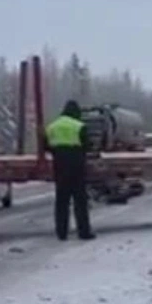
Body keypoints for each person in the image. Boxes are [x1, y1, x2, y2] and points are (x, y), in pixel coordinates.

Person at [44, 100, 95, 241]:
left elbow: (45, 146)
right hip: (77, 168)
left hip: (59, 167)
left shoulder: (51, 127)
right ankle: (84, 232)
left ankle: (62, 232)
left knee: (61, 202)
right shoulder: (79, 126)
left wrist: (57, 150)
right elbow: (87, 146)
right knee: (80, 202)